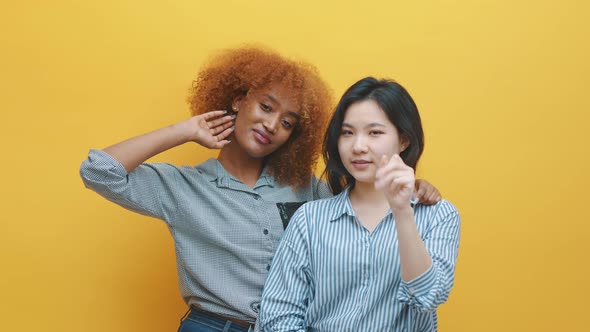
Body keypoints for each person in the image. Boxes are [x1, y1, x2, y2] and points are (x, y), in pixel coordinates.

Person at [80, 47, 442, 332]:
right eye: (266, 106)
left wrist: (413, 187)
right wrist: (185, 131)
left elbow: (362, 212)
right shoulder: (183, 187)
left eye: (287, 122)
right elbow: (99, 171)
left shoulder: (307, 190)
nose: (271, 124)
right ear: (238, 100)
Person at [260, 77, 460, 332]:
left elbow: (427, 296)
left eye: (375, 132)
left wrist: (402, 212)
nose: (358, 146)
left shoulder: (439, 216)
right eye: (348, 133)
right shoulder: (310, 219)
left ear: (404, 140)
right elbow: (278, 316)